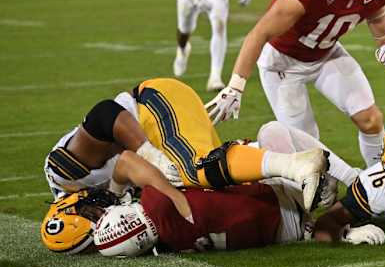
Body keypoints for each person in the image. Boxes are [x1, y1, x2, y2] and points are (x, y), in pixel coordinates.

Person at [206, 0, 385, 167]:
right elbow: (260, 33)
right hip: (283, 63)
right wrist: (235, 86)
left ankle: (379, 180)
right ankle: (233, 156)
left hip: (326, 54)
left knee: (371, 119)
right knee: (308, 149)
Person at [43, 78, 327, 211]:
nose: (96, 216)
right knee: (216, 188)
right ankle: (331, 192)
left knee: (192, 169)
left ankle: (296, 166)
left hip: (152, 106)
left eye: (89, 214)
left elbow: (104, 114)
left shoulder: (65, 174)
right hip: (163, 128)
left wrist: (150, 156)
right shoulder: (91, 203)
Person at [41, 150, 382, 256]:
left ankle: (341, 209)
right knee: (268, 137)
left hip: (288, 230)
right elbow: (129, 159)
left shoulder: (170, 245)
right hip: (279, 197)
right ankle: (357, 180)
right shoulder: (156, 199)